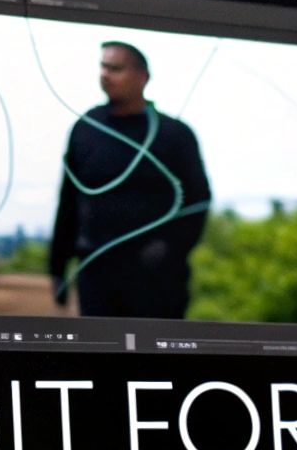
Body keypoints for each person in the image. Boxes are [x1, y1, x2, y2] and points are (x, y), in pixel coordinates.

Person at [49, 41, 212, 318]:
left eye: (116, 68)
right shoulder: (86, 128)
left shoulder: (174, 134)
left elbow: (199, 200)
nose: (105, 74)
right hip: (97, 274)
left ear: (142, 77)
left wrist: (167, 247)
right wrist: (57, 268)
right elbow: (69, 200)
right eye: (103, 66)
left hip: (157, 280)